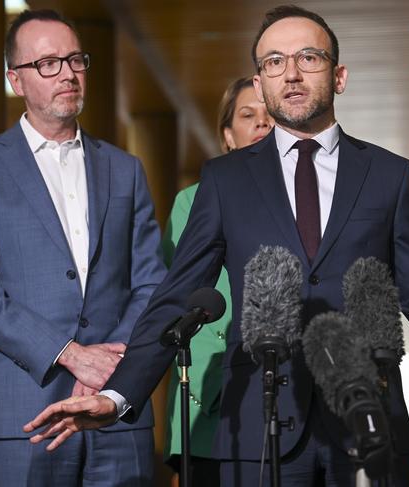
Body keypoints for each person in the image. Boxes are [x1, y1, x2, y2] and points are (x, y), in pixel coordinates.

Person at [24, 7, 409, 487]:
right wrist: (121, 393)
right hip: (256, 429)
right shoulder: (225, 181)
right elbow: (176, 299)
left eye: (309, 58)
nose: (291, 74)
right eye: (274, 62)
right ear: (260, 81)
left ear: (339, 75)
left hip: (368, 423)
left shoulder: (388, 174)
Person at [0, 9, 166, 486]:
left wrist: (108, 366)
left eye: (75, 59)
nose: (68, 73)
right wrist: (70, 353)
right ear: (16, 79)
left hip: (117, 410)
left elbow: (152, 281)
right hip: (24, 416)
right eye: (48, 63)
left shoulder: (125, 169)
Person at [161, 76, 273, 486]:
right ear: (228, 135)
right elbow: (173, 300)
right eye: (248, 115)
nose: (262, 124)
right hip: (207, 396)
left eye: (270, 115)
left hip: (282, 395)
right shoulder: (190, 202)